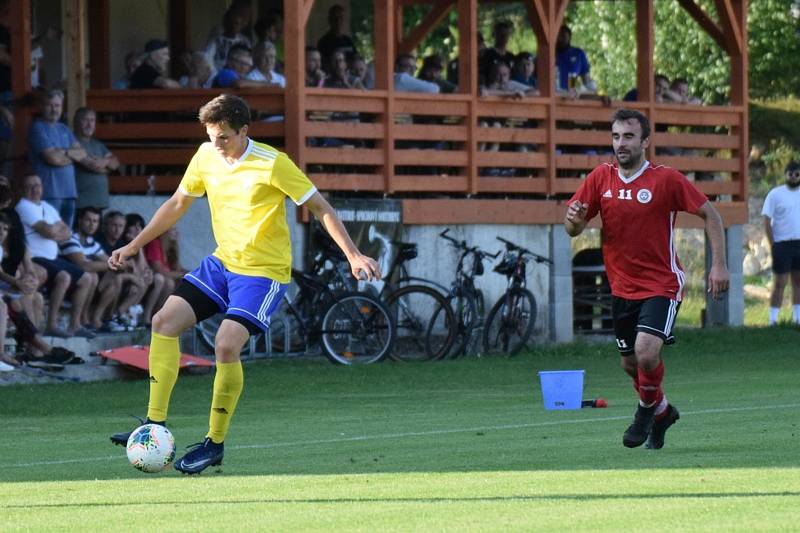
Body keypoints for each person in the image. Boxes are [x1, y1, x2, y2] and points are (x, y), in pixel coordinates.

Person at [108, 94, 380, 474]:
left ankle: (213, 444)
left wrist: (353, 255)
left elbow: (320, 207)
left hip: (263, 272)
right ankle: (154, 425)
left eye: (224, 138)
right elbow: (176, 203)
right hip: (223, 263)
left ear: (244, 131)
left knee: (225, 344)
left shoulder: (273, 163)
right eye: (211, 136)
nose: (216, 146)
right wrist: (135, 245)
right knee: (163, 322)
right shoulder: (205, 155)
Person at [564, 108, 729, 450]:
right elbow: (573, 228)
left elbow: (709, 214)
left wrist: (719, 266)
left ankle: (644, 412)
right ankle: (663, 411)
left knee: (646, 352)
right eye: (615, 136)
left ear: (645, 141)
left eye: (628, 137)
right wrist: (574, 219)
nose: (620, 144)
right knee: (630, 364)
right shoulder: (600, 179)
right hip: (622, 287)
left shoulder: (665, 179)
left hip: (661, 284)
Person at [15, 174, 95, 338]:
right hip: (36, 257)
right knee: (64, 277)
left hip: (53, 259)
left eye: (38, 185)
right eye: (30, 186)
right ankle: (51, 325)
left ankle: (75, 325)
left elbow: (66, 232)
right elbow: (48, 231)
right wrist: (53, 230)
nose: (35, 189)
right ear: (22, 190)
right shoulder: (23, 206)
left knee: (86, 278)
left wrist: (53, 231)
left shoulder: (47, 206)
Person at [59, 207, 125, 331]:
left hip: (84, 281)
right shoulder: (70, 238)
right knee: (92, 275)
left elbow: (116, 263)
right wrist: (109, 265)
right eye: (88, 220)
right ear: (79, 221)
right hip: (65, 281)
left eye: (95, 221)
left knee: (114, 278)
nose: (92, 225)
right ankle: (79, 320)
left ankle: (94, 318)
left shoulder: (91, 242)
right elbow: (83, 265)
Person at [27, 89, 86, 228]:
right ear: (42, 106)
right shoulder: (37, 128)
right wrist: (71, 154)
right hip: (49, 193)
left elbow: (82, 153)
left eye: (57, 105)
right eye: (50, 105)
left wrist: (62, 152)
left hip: (69, 193)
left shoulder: (64, 129)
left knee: (66, 237)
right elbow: (52, 159)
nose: (54, 109)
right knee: (51, 236)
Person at [762, 161, 800, 325]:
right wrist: (773, 244)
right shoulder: (775, 194)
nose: (794, 177)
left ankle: (797, 318)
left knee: (798, 282)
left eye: (797, 174)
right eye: (790, 174)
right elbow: (766, 219)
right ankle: (773, 320)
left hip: (799, 243)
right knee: (780, 283)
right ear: (785, 175)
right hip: (781, 245)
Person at [73, 107, 120, 211]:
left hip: (99, 203)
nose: (89, 124)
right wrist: (107, 167)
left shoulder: (97, 144)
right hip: (82, 204)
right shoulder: (72, 142)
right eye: (85, 120)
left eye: (92, 120)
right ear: (76, 122)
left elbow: (116, 163)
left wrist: (105, 161)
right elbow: (93, 166)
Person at [204, 6, 252, 72]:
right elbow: (207, 58)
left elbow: (249, 60)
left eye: (237, 23)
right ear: (225, 23)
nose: (233, 26)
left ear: (241, 25)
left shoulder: (244, 41)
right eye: (230, 23)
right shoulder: (216, 40)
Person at [555, 25, 597, 97]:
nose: (560, 39)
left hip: (572, 96)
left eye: (563, 36)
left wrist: (590, 91)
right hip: (554, 95)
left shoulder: (578, 53)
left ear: (569, 37)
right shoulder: (548, 54)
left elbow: (586, 81)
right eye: (558, 36)